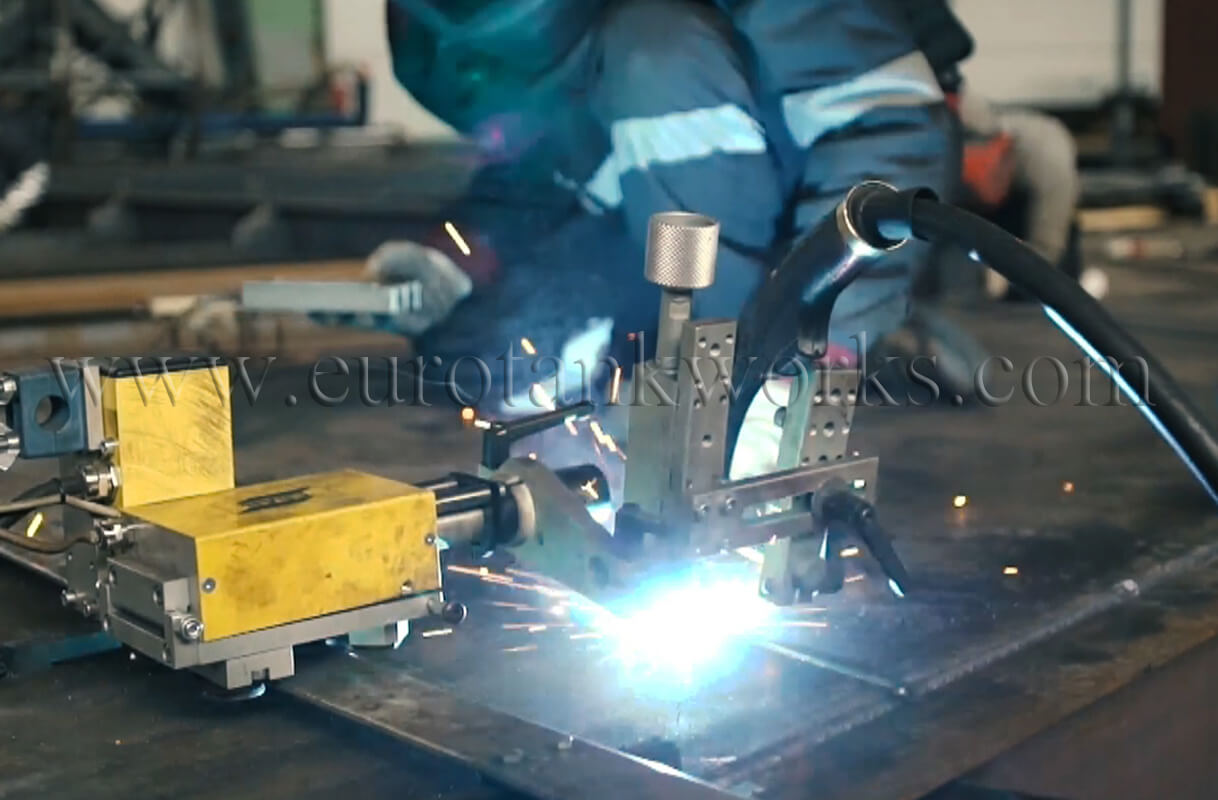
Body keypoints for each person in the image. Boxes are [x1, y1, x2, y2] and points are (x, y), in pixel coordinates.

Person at [369, 0, 974, 409]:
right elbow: (540, 164)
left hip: (819, 168)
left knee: (656, 57)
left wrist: (811, 353)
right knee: (484, 350)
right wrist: (462, 254)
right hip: (661, 175)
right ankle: (687, 372)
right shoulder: (440, 40)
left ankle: (740, 368)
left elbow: (886, 133)